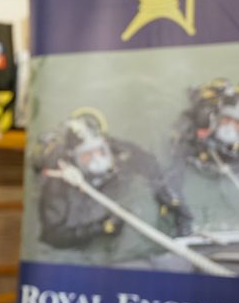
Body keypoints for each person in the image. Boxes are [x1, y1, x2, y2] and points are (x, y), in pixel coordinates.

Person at [32, 109, 193, 268]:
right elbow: (51, 236)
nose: (97, 160)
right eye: (87, 155)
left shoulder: (123, 154)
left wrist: (170, 199)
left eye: (100, 151)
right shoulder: (57, 184)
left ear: (106, 145)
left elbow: (154, 172)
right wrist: (98, 229)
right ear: (73, 158)